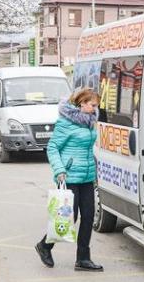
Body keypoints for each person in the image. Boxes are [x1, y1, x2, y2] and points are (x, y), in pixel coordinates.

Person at [35, 88, 103, 272]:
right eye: (93, 105)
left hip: (87, 176)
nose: (96, 108)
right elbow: (53, 147)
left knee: (89, 216)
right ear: (81, 103)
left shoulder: (89, 122)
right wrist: (59, 170)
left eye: (97, 105)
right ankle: (44, 246)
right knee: (68, 218)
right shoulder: (66, 122)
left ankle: (83, 259)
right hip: (70, 175)